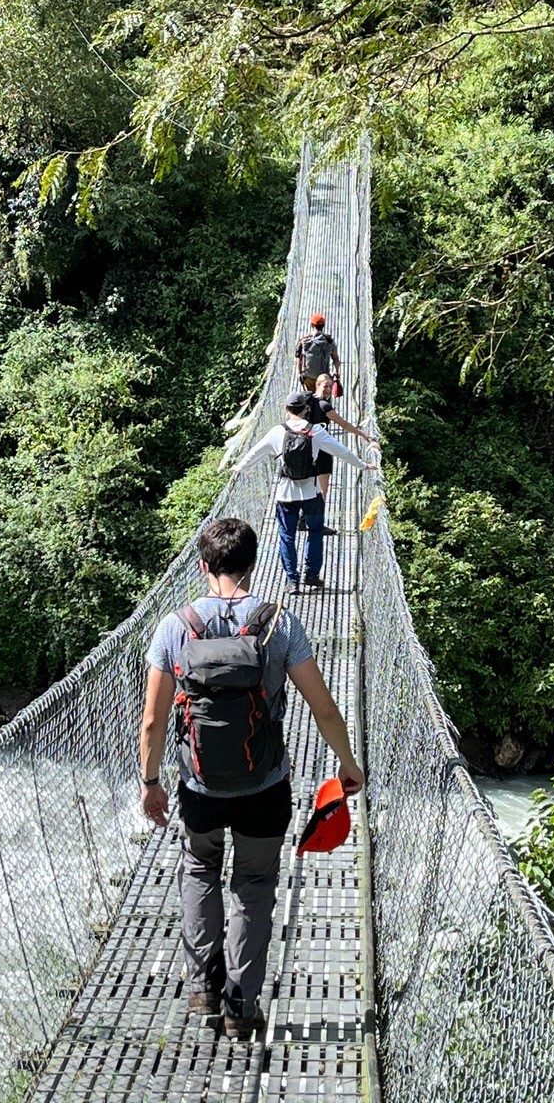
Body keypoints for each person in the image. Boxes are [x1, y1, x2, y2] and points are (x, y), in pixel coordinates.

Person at [139, 518, 365, 1039]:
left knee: (199, 869)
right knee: (255, 883)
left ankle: (202, 987)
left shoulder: (175, 626)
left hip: (198, 785)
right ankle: (242, 1008)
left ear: (203, 566)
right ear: (255, 564)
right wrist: (348, 766)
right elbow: (324, 709)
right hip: (264, 783)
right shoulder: (278, 624)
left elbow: (152, 720)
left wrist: (150, 782)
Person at [232, 390, 375, 592]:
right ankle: (312, 575)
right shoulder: (315, 430)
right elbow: (341, 451)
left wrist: (239, 467)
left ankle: (292, 580)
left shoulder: (277, 431)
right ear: (307, 410)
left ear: (286, 409)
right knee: (315, 532)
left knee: (287, 536)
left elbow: (257, 451)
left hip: (285, 493)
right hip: (312, 492)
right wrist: (362, 465)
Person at [299, 373, 380, 534]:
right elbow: (343, 423)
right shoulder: (324, 406)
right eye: (325, 386)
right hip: (322, 450)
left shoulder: (305, 400)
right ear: (318, 385)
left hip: (305, 450)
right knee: (323, 488)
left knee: (311, 486)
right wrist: (363, 435)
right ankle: (314, 523)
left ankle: (303, 519)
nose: (329, 389)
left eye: (330, 386)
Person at [295, 313, 341, 392]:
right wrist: (337, 372)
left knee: (310, 398)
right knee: (324, 399)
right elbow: (335, 359)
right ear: (323, 325)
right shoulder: (329, 341)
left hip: (308, 377)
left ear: (312, 325)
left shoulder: (304, 340)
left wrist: (299, 373)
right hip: (323, 377)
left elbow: (299, 358)